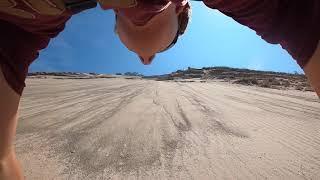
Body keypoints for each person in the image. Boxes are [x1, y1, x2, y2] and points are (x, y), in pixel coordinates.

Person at [0, 0, 319, 179]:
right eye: (153, 9)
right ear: (181, 5)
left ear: (109, 7)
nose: (140, 9)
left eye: (133, 14)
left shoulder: (26, 19)